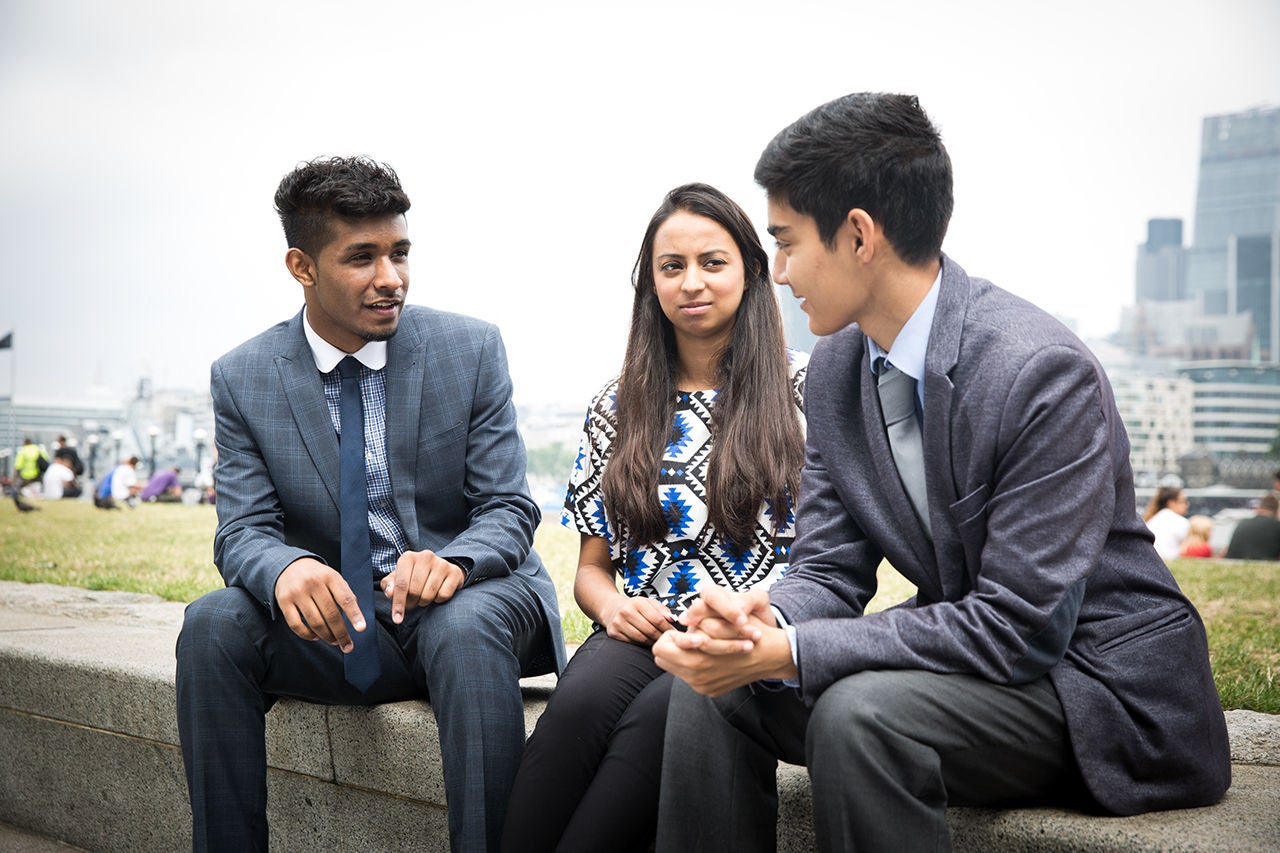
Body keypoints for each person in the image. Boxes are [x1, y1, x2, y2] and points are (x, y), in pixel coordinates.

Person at [651, 93, 1230, 853]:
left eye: (788, 243)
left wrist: (793, 651)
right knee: (715, 686)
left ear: (859, 234)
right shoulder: (836, 370)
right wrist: (764, 621)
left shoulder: (1040, 373)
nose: (780, 272)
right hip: (969, 673)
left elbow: (1017, 628)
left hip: (1093, 688)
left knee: (859, 716)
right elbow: (828, 568)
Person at [174, 156, 566, 853]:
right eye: (362, 257)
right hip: (341, 625)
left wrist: (452, 562)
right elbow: (242, 529)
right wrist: (285, 567)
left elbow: (508, 506)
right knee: (211, 624)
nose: (392, 278)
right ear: (302, 266)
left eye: (400, 253)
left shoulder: (469, 349)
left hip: (469, 605)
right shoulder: (243, 378)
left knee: (465, 623)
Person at [501, 184, 808, 853]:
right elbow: (591, 568)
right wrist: (610, 607)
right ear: (651, 282)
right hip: (638, 633)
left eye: (712, 262)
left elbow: (831, 562)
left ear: (752, 272)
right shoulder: (616, 405)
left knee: (653, 727)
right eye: (672, 267)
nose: (691, 282)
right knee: (574, 714)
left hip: (744, 645)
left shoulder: (806, 393)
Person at [1223, 493, 1280, 560]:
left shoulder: (1243, 523)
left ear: (1257, 509)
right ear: (1276, 512)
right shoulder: (1277, 527)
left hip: (1232, 564)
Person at [1144, 485, 1190, 560]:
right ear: (1171, 503)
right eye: (1183, 501)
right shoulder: (1181, 522)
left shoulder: (1151, 520)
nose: (1187, 505)